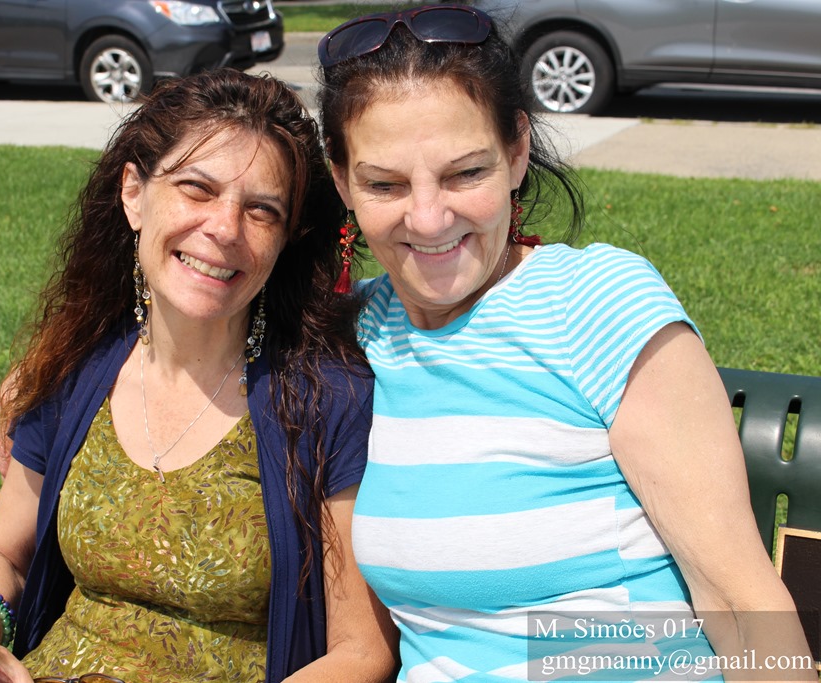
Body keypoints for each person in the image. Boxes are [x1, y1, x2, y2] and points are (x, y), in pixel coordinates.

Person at [317, 6, 814, 681]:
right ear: (341, 181)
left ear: (517, 151)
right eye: (385, 183)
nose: (429, 218)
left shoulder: (593, 304)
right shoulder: (358, 335)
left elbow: (739, 599)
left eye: (465, 173)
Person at [0, 69, 397, 683]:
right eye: (197, 189)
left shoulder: (327, 400)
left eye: (261, 210)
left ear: (285, 240)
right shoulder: (76, 370)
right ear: (134, 193)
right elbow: (3, 551)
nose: (225, 228)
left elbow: (363, 653)